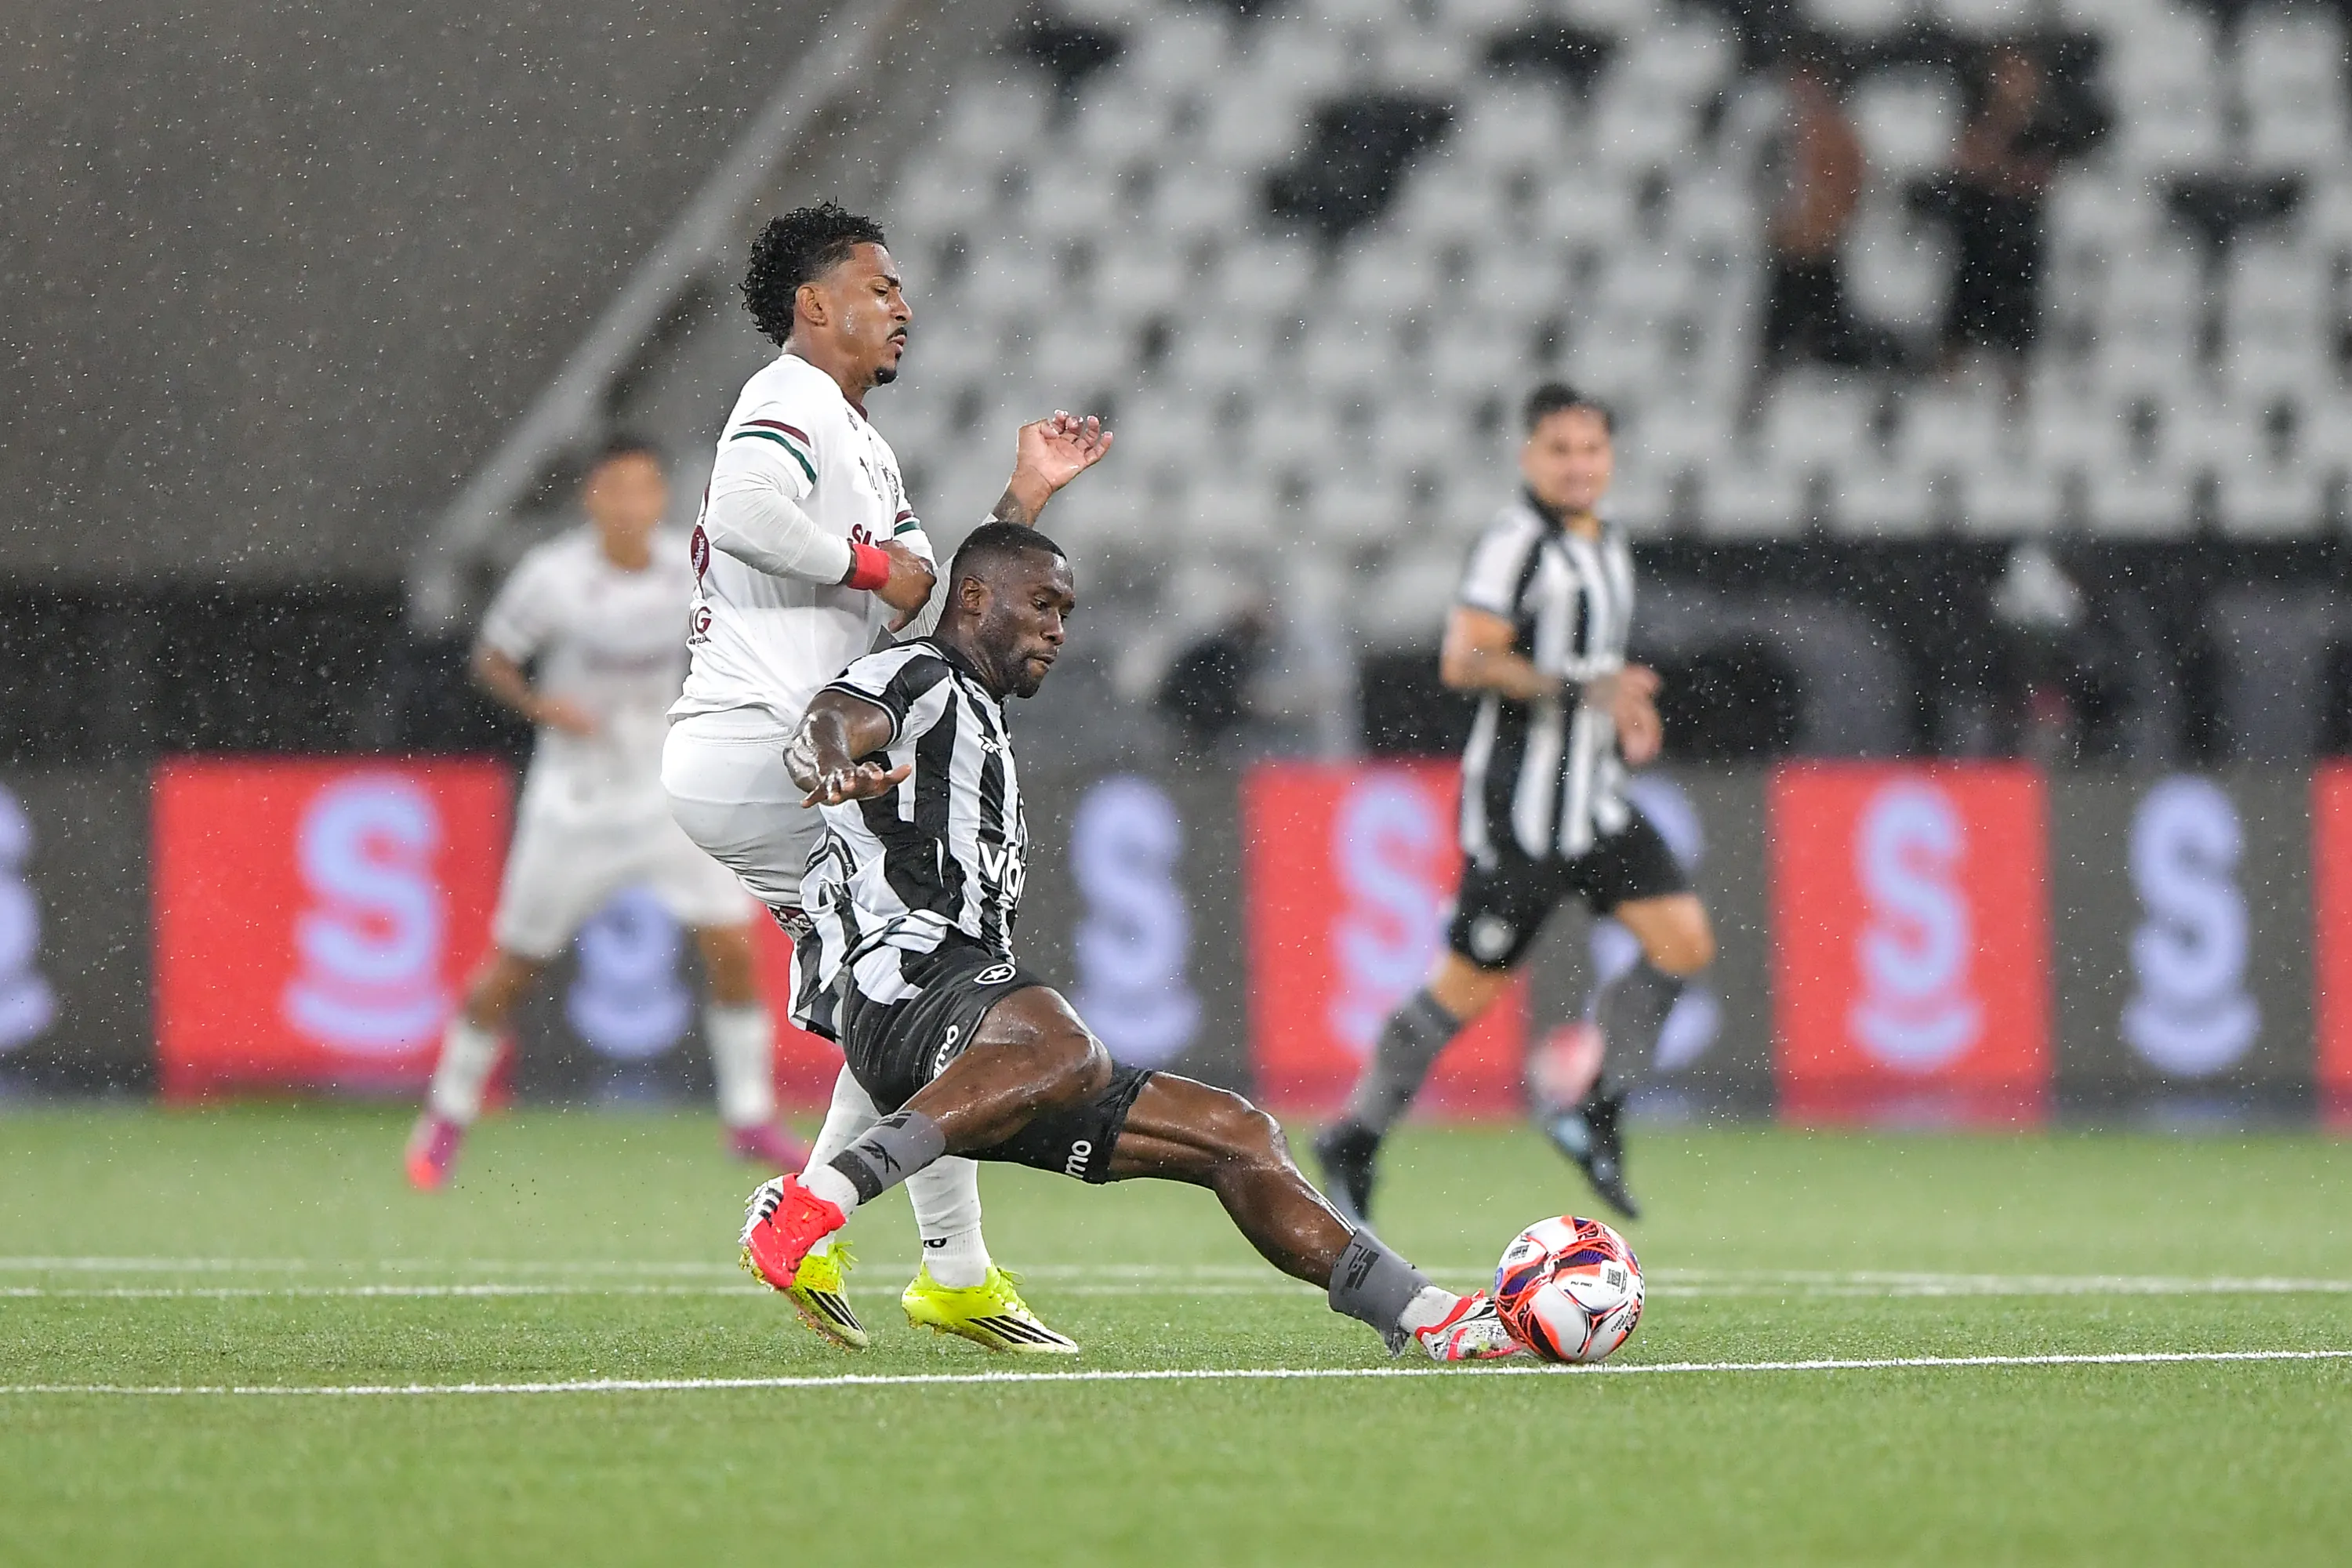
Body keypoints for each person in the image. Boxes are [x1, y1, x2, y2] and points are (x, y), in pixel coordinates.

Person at [736, 524, 1521, 1364]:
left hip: (960, 1027)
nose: (1057, 631)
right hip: (911, 978)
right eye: (1041, 605)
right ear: (974, 599)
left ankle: (1423, 1311)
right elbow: (827, 721)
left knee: (1236, 1132)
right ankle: (815, 1199)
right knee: (1064, 1044)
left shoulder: (983, 715)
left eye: (1066, 612)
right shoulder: (920, 674)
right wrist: (827, 765)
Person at [660, 202, 1112, 1355]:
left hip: (781, 751)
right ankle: (854, 1233)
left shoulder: (856, 435)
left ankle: (920, 1258)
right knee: (934, 972)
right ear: (815, 306)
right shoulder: (786, 401)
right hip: (772, 746)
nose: (902, 307)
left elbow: (938, 606)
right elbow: (743, 511)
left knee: (911, 988)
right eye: (880, 287)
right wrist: (865, 559)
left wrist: (1022, 505)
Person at [1312, 384, 1717, 1225]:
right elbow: (1465, 661)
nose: (1578, 465)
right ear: (1529, 457)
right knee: (1464, 988)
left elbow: (1596, 669)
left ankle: (1594, 1107)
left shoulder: (1607, 543)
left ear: (1610, 458)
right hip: (1519, 813)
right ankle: (1354, 1131)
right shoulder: (1514, 544)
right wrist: (1581, 687)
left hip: (1595, 801)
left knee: (1683, 942)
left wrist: (1621, 712)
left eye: (1591, 450)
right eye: (1560, 450)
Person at [405, 434, 807, 1190]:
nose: (630, 505)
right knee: (514, 966)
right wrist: (540, 705)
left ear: (660, 499)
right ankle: (446, 1116)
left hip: (665, 792)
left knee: (731, 945)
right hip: (575, 801)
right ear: (593, 498)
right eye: (615, 490)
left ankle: (749, 1117)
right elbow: (490, 660)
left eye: (644, 490)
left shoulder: (687, 570)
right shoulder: (551, 577)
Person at [1940, 45, 2056, 394]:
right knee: (1960, 320)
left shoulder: (2045, 125)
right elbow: (1966, 162)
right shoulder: (1979, 116)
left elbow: (2032, 178)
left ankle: (2014, 400)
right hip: (1978, 240)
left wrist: (1998, 171)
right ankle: (1947, 391)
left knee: (2016, 334)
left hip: (2018, 244)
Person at [1760, 55, 1868, 375]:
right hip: (1791, 246)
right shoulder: (1780, 129)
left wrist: (1828, 223)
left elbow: (1852, 185)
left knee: (1824, 329)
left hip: (1820, 247)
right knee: (1783, 329)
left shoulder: (1836, 132)